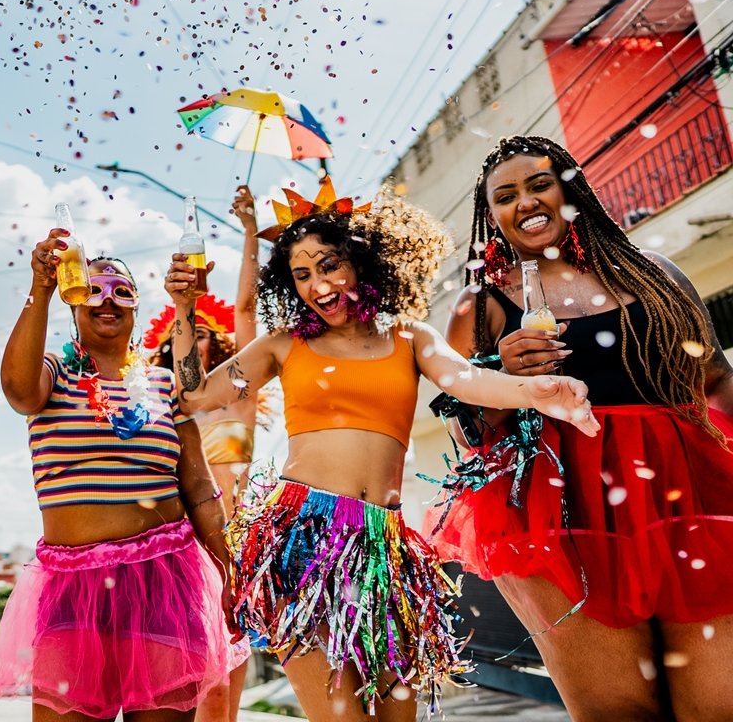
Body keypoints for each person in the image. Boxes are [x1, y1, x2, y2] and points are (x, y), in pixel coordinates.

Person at [164, 178, 600, 721]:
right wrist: (184, 309)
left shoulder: (409, 337)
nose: (317, 285)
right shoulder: (284, 345)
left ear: (362, 261)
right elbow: (197, 392)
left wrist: (537, 391)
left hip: (387, 550)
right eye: (301, 274)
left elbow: (464, 379)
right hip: (304, 541)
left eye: (328, 265)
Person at [429, 135, 733, 722]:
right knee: (618, 712)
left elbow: (715, 379)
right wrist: (505, 376)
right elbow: (472, 433)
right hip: (559, 510)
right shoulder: (481, 305)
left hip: (682, 495)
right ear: (491, 215)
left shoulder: (653, 275)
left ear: (570, 190)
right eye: (506, 195)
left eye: (539, 183)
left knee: (716, 706)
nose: (526, 202)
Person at [0, 237, 245, 722]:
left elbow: (200, 490)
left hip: (165, 583)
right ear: (74, 301)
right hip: (72, 585)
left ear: (134, 307)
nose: (107, 300)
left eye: (122, 291)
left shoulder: (165, 384)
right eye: (94, 289)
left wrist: (229, 571)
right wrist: (41, 289)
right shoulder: (53, 372)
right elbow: (18, 392)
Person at [145, 185, 261, 722]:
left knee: (225, 686)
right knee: (183, 684)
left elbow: (245, 309)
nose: (190, 348)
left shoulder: (240, 395)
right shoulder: (163, 412)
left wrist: (250, 233)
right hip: (179, 549)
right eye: (176, 346)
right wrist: (181, 310)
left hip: (233, 542)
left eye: (202, 338)